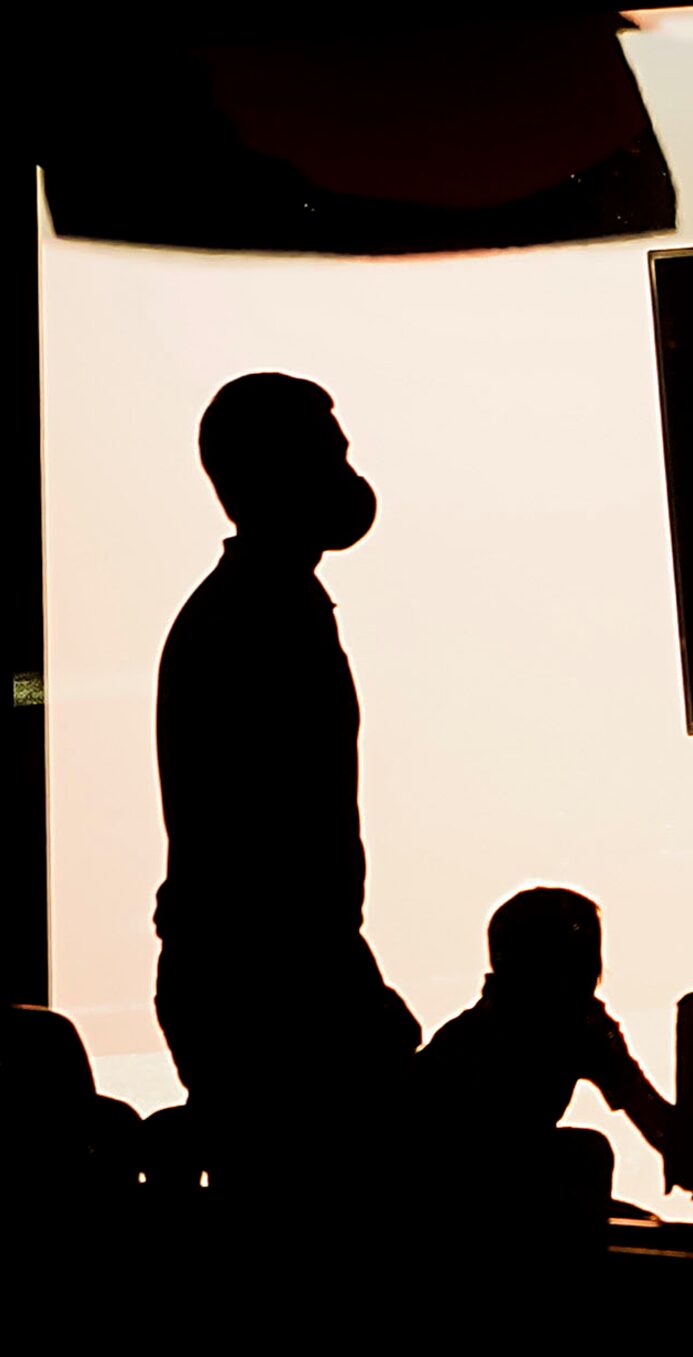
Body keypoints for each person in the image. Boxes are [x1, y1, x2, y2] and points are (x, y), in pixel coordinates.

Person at [152, 373, 418, 1207]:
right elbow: (278, 849)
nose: (346, 474)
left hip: (261, 975)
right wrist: (344, 986)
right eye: (329, 455)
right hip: (272, 985)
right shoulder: (259, 620)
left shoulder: (262, 606)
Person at [415, 888, 676, 1228]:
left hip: (454, 1200)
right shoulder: (568, 1027)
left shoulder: (471, 1032)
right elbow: (659, 1125)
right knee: (585, 1155)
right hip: (451, 1208)